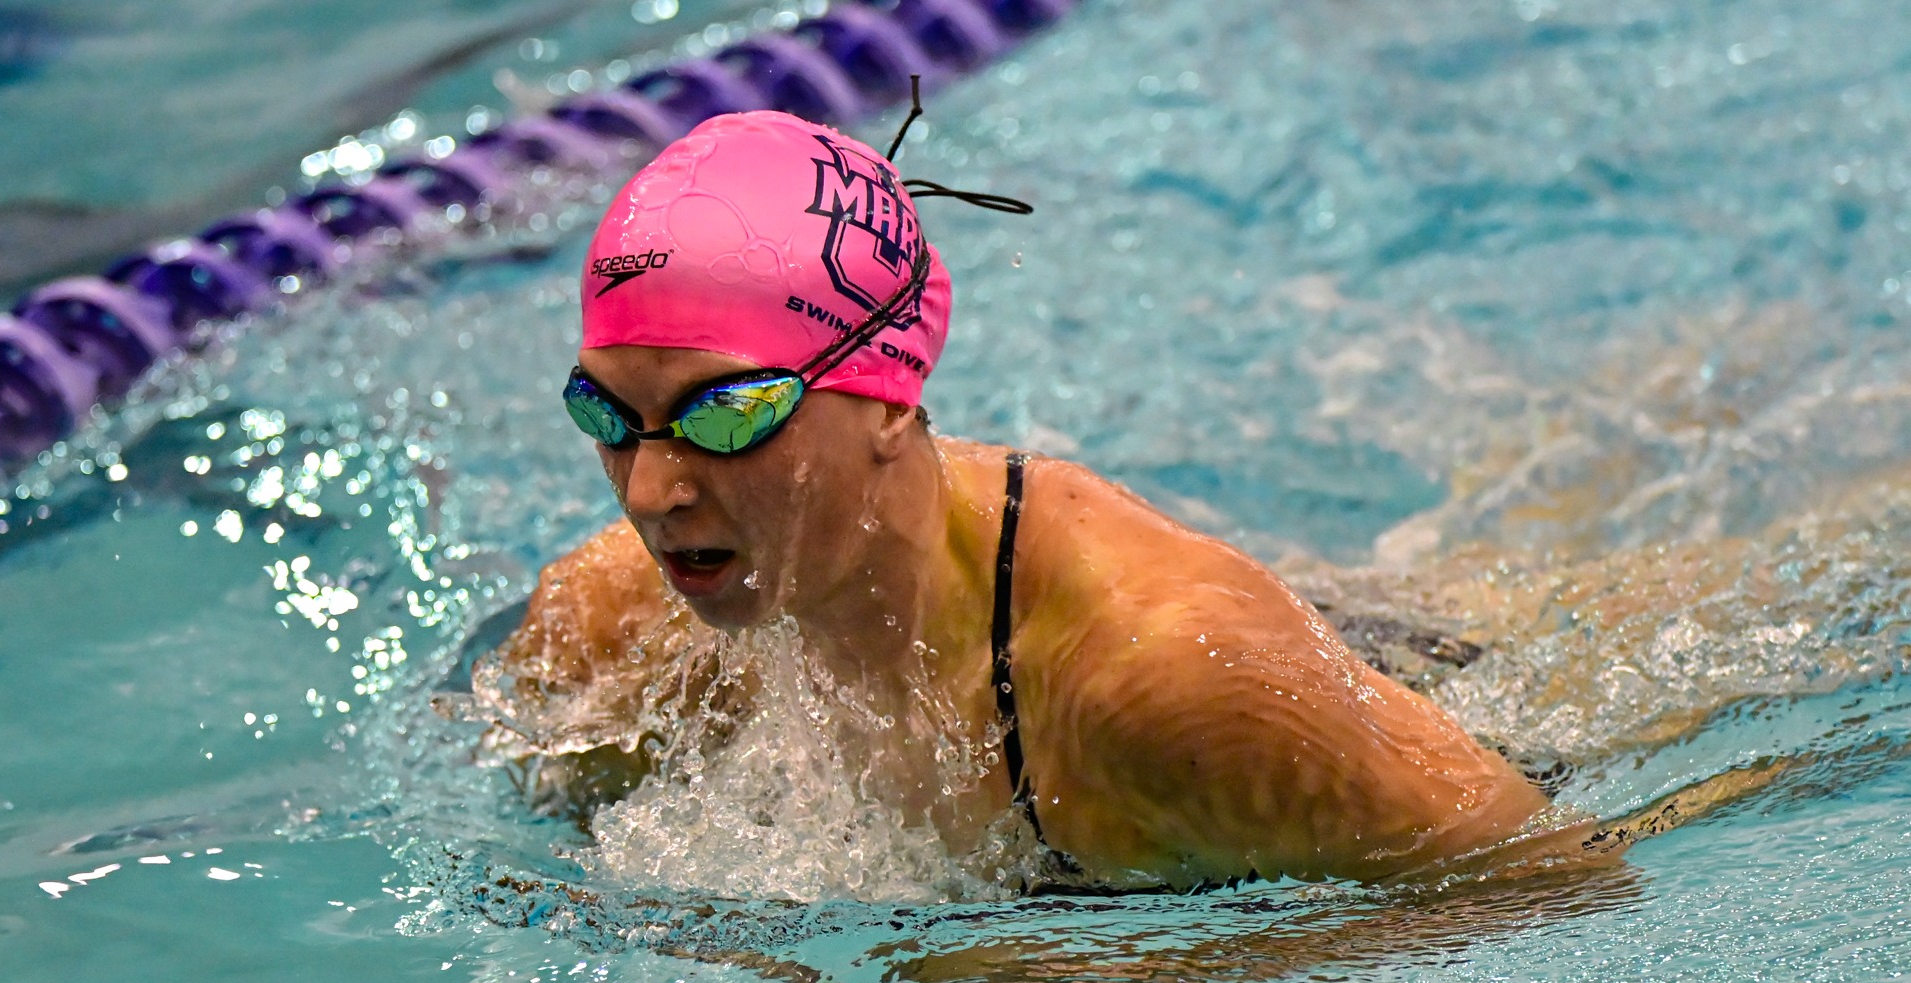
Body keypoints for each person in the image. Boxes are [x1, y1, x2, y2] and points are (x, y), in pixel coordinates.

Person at [500, 109, 1594, 891]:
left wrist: (1069, 975)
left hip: (1482, 673)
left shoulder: (1166, 684)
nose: (651, 490)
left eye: (726, 414)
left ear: (887, 399)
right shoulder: (609, 630)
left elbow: (1555, 883)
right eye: (605, 415)